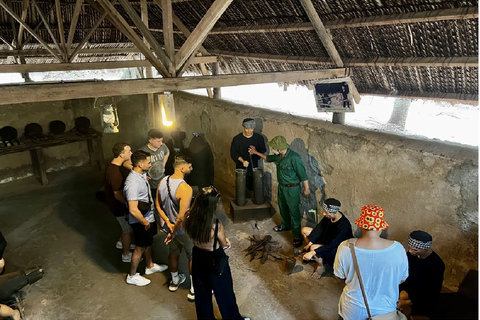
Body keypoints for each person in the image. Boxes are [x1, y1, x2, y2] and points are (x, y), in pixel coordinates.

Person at [184, 187, 250, 320]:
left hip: (197, 255)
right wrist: (226, 242)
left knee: (202, 293)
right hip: (214, 258)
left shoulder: (188, 216)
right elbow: (224, 243)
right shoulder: (215, 225)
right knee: (224, 293)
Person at [334, 205, 408, 320]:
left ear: (361, 225)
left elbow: (340, 276)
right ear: (381, 227)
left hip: (352, 309)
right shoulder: (398, 249)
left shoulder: (345, 247)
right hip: (385, 311)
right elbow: (402, 279)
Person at [249, 135, 309, 247]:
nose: (273, 149)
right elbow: (268, 158)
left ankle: (296, 235)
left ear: (279, 148)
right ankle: (286, 225)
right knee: (283, 207)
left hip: (292, 188)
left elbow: (303, 174)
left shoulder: (294, 158)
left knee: (294, 212)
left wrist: (306, 188)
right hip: (282, 187)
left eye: (274, 148)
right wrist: (256, 152)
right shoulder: (279, 156)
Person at [123, 150, 167, 286]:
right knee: (139, 247)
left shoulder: (140, 175)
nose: (151, 164)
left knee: (148, 243)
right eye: (148, 162)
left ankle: (149, 265)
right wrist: (144, 222)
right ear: (140, 164)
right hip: (141, 220)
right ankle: (132, 275)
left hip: (148, 216)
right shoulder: (132, 183)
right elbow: (133, 209)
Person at [156, 155, 195, 301]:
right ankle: (193, 289)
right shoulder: (185, 188)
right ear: (182, 168)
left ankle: (174, 281)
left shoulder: (163, 181)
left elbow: (158, 205)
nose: (191, 169)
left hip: (168, 226)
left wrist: (167, 223)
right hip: (181, 229)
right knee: (193, 255)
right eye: (190, 166)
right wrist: (174, 230)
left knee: (173, 252)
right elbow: (182, 216)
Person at [398, 230, 445, 318]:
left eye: (415, 250)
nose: (411, 251)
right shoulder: (410, 256)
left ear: (426, 249)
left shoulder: (436, 264)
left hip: (422, 299)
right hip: (405, 292)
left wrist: (408, 302)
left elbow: (432, 291)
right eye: (410, 248)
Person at [301, 198, 353, 275]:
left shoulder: (344, 225)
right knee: (304, 230)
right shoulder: (329, 217)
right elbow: (319, 229)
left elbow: (333, 244)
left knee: (314, 248)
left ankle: (320, 266)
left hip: (336, 247)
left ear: (334, 212)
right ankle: (315, 256)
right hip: (328, 238)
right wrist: (309, 244)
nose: (324, 214)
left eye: (326, 212)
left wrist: (313, 251)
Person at [105, 142, 135, 262]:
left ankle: (121, 243)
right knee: (127, 229)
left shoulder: (115, 165)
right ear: (122, 154)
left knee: (126, 228)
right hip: (118, 206)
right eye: (128, 151)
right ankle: (126, 254)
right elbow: (117, 195)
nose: (131, 153)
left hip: (117, 205)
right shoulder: (115, 173)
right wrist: (130, 206)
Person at [230, 118, 266, 191]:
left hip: (254, 166)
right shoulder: (237, 139)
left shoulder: (259, 138)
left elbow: (262, 150)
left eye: (251, 129)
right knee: (241, 186)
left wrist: (255, 152)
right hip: (241, 166)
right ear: (243, 127)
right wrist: (243, 161)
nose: (249, 131)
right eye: (247, 129)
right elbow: (234, 153)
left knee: (254, 184)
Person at [139, 129, 170, 199]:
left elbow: (167, 152)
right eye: (158, 141)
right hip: (151, 184)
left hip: (162, 181)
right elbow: (135, 165)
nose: (161, 143)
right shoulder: (143, 152)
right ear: (151, 141)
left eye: (161, 140)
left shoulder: (163, 147)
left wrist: (163, 165)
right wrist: (142, 175)